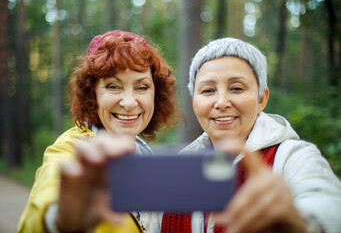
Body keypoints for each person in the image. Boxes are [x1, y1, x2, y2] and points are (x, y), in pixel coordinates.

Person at [160, 38, 341, 233]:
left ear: (262, 99)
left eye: (236, 88)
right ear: (194, 99)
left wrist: (302, 224)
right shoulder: (179, 171)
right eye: (208, 90)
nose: (221, 102)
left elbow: (327, 206)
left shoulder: (294, 156)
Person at [18, 30, 179, 233]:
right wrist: (60, 220)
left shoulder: (147, 156)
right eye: (113, 86)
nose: (129, 103)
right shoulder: (75, 149)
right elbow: (43, 203)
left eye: (142, 87)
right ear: (91, 93)